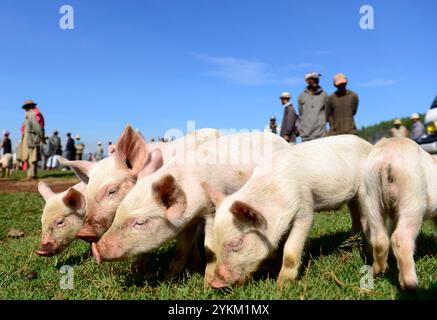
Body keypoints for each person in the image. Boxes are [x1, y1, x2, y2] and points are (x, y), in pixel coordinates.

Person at [18, 100, 45, 180]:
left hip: (32, 139)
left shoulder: (33, 114)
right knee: (30, 157)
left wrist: (42, 137)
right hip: (28, 139)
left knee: (32, 157)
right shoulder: (28, 115)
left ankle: (32, 175)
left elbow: (37, 127)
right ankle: (31, 174)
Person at [297, 72, 328, 142]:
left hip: (320, 134)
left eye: (317, 79)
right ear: (307, 80)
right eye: (313, 79)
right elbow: (300, 113)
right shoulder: (301, 96)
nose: (316, 80)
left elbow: (327, 112)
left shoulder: (324, 95)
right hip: (305, 135)